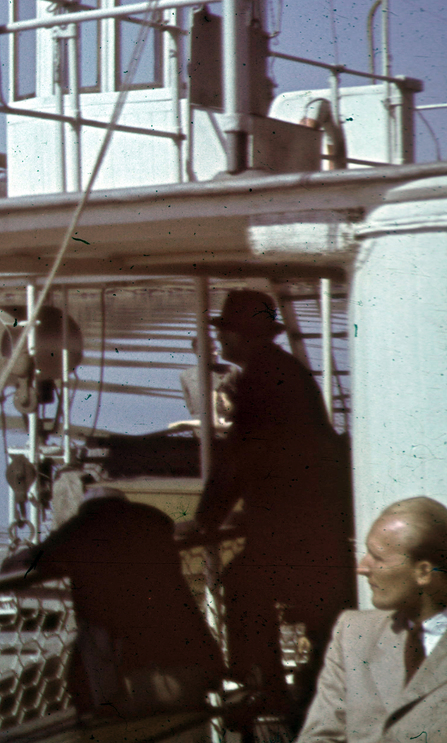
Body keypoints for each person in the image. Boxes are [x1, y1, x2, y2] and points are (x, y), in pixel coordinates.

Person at [175, 289, 354, 723]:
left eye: (225, 332)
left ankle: (264, 690)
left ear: (241, 335)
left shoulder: (258, 379)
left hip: (296, 524)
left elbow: (239, 457)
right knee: (315, 611)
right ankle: (301, 693)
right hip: (316, 519)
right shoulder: (285, 371)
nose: (219, 341)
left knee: (243, 584)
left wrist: (204, 520)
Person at [6, 486, 222, 718]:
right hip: (195, 678)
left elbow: (20, 564)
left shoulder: (80, 530)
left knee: (93, 632)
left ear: (85, 511)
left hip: (137, 689)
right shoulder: (154, 527)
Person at [296, 497, 447, 743]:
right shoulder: (354, 633)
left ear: (424, 572)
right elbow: (319, 737)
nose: (362, 568)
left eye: (378, 558)